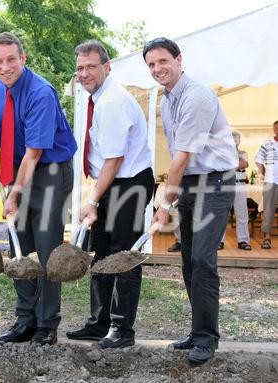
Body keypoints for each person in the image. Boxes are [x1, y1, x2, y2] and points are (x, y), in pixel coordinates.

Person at [143, 38, 237, 363]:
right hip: (192, 183)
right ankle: (199, 332)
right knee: (187, 260)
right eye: (151, 64)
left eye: (163, 61)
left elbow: (181, 157)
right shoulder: (168, 100)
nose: (157, 69)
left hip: (215, 182)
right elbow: (177, 159)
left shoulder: (196, 96)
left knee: (202, 260)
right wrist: (170, 196)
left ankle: (207, 339)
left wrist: (164, 205)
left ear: (179, 59)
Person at [0, 32, 77, 346]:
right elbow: (4, 137)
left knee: (47, 250)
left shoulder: (41, 93)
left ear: (23, 59)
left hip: (50, 172)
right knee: (19, 248)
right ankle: (25, 320)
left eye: (11, 59)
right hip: (18, 170)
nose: (5, 66)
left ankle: (47, 324)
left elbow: (34, 152)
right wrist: (5, 178)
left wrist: (15, 192)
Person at [66, 40, 154, 349]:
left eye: (91, 66)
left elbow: (115, 160)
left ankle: (121, 329)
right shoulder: (99, 98)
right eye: (80, 68)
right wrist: (95, 198)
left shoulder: (112, 101)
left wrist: (91, 201)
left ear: (107, 66)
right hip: (111, 182)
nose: (85, 73)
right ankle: (99, 322)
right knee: (101, 253)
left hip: (128, 184)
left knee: (122, 257)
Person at [255, 120, 278, 249]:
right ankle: (267, 238)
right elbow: (258, 159)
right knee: (268, 210)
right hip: (271, 181)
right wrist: (264, 172)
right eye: (276, 129)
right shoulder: (268, 143)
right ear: (274, 129)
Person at [231, 130, 252, 250]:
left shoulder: (243, 152)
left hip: (240, 184)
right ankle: (220, 241)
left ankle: (243, 240)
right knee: (222, 214)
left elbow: (245, 164)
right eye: (233, 138)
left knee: (242, 213)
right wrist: (236, 164)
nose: (235, 140)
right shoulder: (223, 153)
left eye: (237, 138)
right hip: (226, 184)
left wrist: (231, 165)